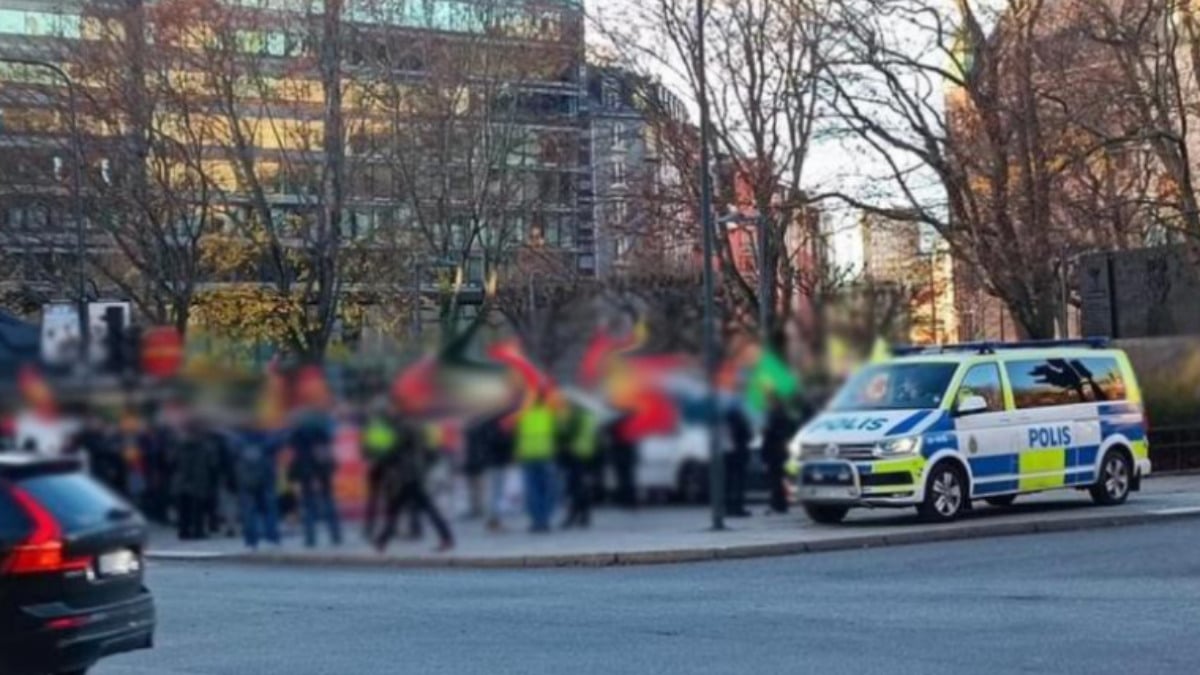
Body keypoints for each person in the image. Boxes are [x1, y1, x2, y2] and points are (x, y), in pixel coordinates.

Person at [374, 414, 454, 553]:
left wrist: (387, 461)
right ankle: (382, 540)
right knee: (407, 508)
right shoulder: (416, 433)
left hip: (408, 477)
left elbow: (392, 453)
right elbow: (430, 454)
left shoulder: (403, 433)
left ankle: (382, 540)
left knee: (401, 509)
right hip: (413, 475)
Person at [289, 405, 343, 548]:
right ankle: (335, 535)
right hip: (323, 470)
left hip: (306, 471)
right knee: (328, 502)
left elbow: (295, 454)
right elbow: (328, 447)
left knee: (308, 505)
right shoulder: (322, 432)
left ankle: (310, 538)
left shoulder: (298, 434)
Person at [234, 419, 282, 549]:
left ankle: (251, 541)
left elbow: (232, 457)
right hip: (266, 479)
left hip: (247, 480)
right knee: (269, 510)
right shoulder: (267, 440)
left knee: (249, 512)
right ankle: (272, 538)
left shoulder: (238, 441)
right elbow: (280, 442)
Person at [515, 392, 557, 533]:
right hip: (545, 456)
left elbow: (517, 436)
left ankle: (536, 521)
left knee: (532, 491)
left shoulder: (524, 416)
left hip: (528, 457)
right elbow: (557, 434)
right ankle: (545, 519)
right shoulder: (548, 415)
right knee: (546, 491)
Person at [173, 417, 218, 540]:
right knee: (198, 509)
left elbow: (171, 462)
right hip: (199, 481)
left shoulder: (179, 445)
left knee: (184, 509)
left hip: (182, 481)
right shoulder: (206, 446)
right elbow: (213, 464)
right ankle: (198, 531)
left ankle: (184, 531)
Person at [360, 404, 399, 541]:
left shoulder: (371, 426)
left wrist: (369, 458)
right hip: (389, 467)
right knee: (390, 499)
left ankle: (369, 528)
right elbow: (395, 447)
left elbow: (364, 447)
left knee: (373, 499)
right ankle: (391, 528)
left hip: (375, 466)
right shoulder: (393, 426)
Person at [560, 404, 597, 529]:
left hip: (575, 455)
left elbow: (567, 435)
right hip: (588, 455)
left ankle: (573, 516)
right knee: (583, 487)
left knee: (573, 488)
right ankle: (584, 516)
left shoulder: (575, 418)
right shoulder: (590, 418)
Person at [761, 392, 796, 515]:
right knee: (779, 478)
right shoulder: (784, 415)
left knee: (775, 479)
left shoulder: (774, 416)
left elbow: (769, 435)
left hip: (775, 451)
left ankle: (777, 504)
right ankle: (780, 504)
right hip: (780, 451)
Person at [724, 400, 753, 518]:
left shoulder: (726, 420)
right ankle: (737, 507)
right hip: (739, 454)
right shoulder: (740, 420)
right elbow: (748, 435)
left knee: (729, 481)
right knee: (739, 482)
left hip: (728, 454)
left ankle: (729, 507)